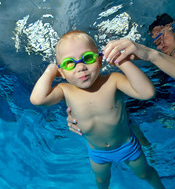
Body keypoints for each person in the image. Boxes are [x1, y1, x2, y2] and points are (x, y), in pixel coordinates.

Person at [67, 14, 175, 189]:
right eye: (155, 40)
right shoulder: (162, 85)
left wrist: (152, 55)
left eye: (165, 32)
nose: (160, 41)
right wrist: (84, 115)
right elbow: (126, 114)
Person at [30, 30, 165, 189]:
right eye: (69, 63)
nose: (80, 67)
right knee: (101, 181)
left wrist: (121, 62)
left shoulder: (113, 80)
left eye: (87, 58)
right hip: (97, 153)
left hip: (126, 146)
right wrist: (50, 71)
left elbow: (147, 92)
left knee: (145, 174)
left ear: (100, 60)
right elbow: (37, 99)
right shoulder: (64, 89)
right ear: (62, 72)